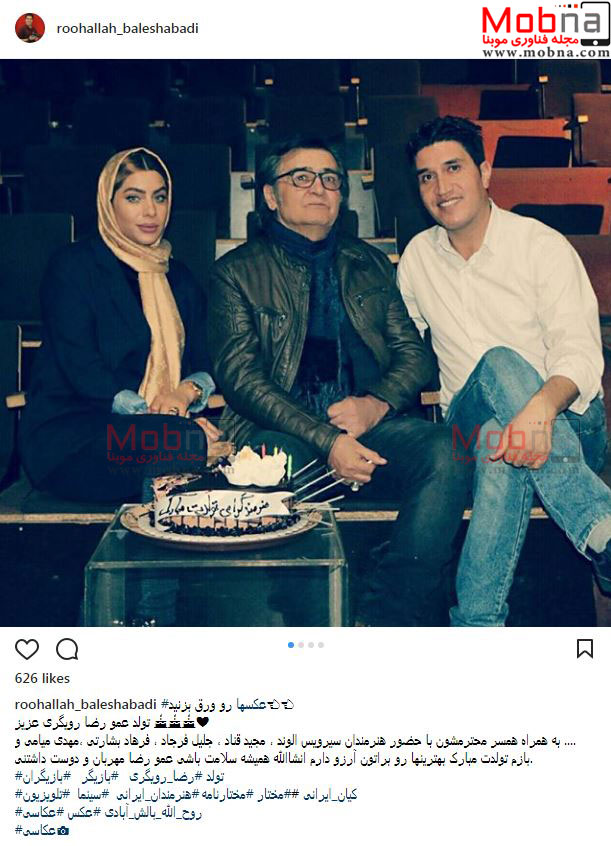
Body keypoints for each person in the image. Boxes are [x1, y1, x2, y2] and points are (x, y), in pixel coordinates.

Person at [207, 136, 471, 626]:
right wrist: (328, 441)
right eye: (301, 177)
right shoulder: (235, 273)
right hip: (282, 434)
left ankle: (391, 616)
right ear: (270, 196)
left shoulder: (367, 263)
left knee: (449, 449)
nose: (319, 188)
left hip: (369, 429)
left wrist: (376, 404)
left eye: (330, 178)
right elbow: (241, 379)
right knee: (272, 462)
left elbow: (414, 355)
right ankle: (314, 621)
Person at [397, 116, 611, 626]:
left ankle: (478, 626)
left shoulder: (540, 246)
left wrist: (539, 409)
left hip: (571, 429)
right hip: (464, 430)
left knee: (501, 439)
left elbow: (581, 353)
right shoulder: (417, 260)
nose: (442, 187)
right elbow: (402, 353)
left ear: (485, 172)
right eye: (427, 176)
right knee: (496, 376)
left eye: (454, 168)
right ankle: (602, 531)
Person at [20, 147, 220, 505]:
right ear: (108, 203)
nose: (150, 211)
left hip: (150, 436)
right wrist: (162, 421)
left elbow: (205, 359)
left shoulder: (179, 277)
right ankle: (176, 482)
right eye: (133, 198)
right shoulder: (74, 267)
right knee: (185, 441)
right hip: (77, 433)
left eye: (160, 197)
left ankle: (171, 485)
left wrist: (183, 395)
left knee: (206, 438)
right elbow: (82, 368)